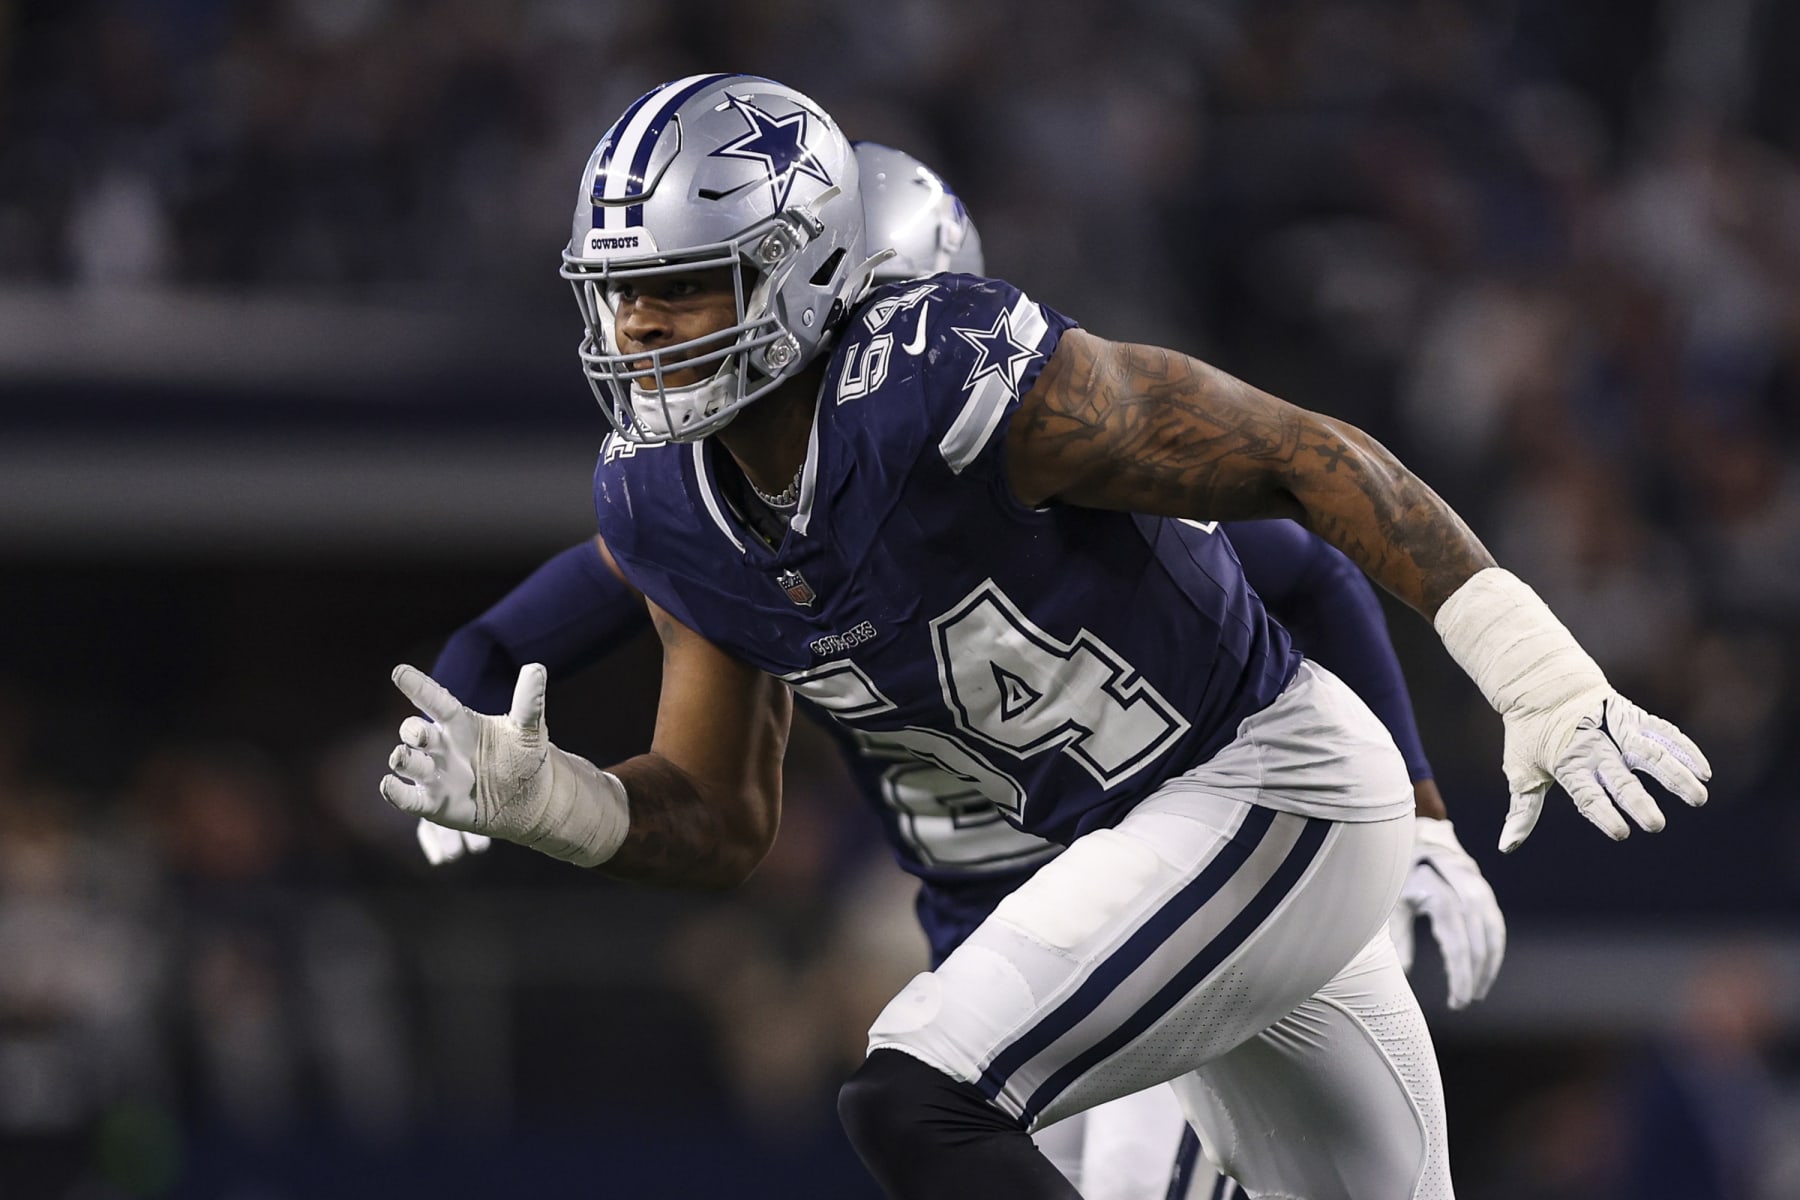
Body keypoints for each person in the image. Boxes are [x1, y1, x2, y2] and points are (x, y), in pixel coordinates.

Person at [380, 75, 1710, 1199]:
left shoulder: (947, 387)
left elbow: (1299, 466)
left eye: (676, 285)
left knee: (914, 1093)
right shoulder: (662, 504)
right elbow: (723, 821)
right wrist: (562, 803)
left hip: (1256, 795)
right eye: (616, 294)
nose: (635, 330)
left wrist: (1522, 666)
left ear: (812, 271)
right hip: (1105, 886)